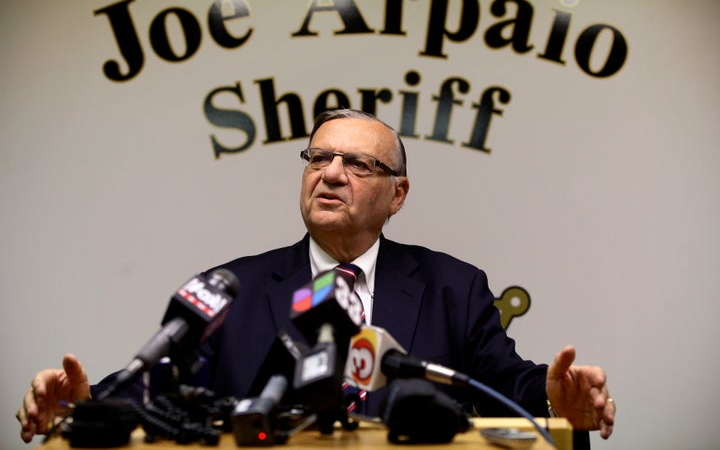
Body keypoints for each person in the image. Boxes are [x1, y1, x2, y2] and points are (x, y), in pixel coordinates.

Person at [17, 109, 615, 447]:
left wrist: (555, 399)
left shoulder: (451, 288)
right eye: (318, 159)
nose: (330, 174)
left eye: (357, 163)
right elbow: (158, 388)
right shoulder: (234, 288)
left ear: (397, 194)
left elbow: (502, 383)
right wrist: (79, 404)